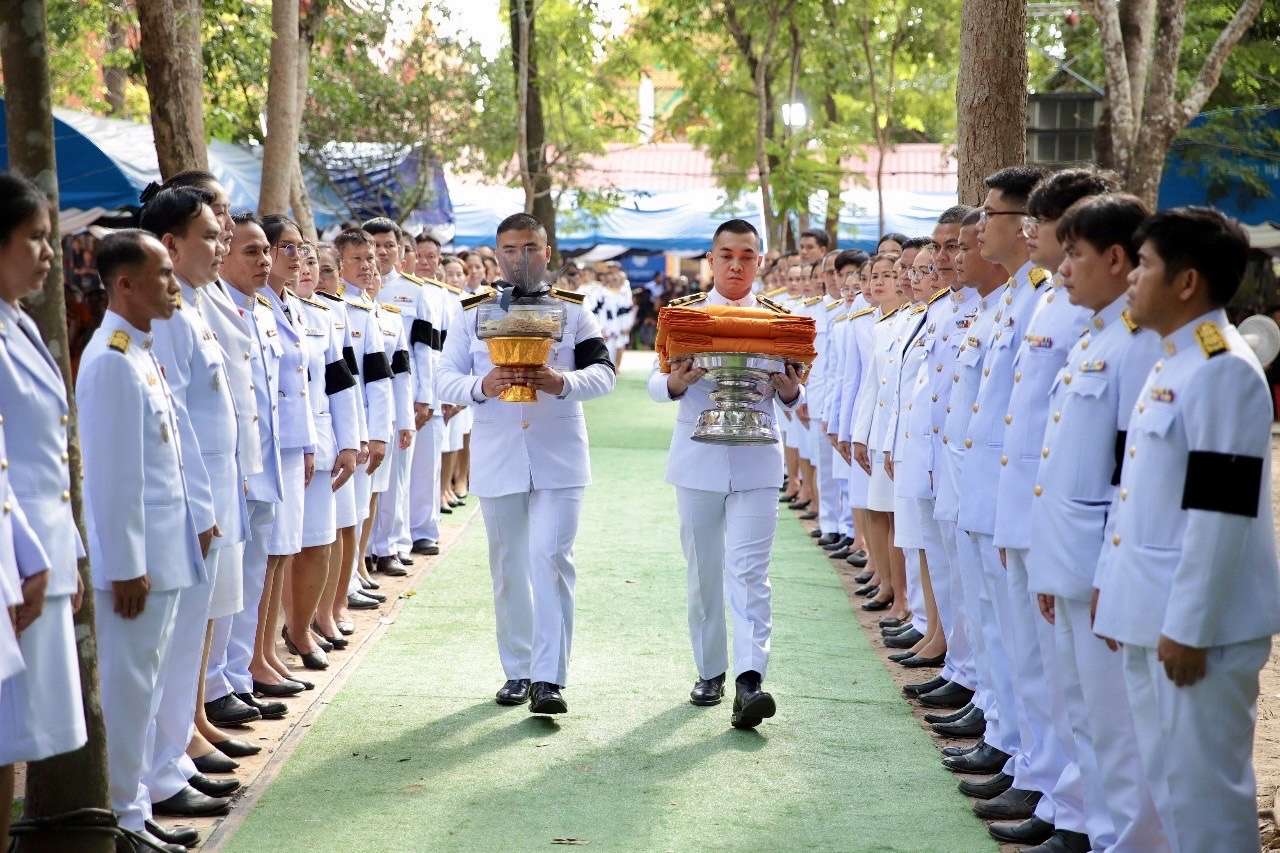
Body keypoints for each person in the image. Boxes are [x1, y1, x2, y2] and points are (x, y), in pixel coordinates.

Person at [1094, 207, 1280, 852]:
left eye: (1144, 265)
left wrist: (1190, 627)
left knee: (1206, 802)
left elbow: (1220, 512)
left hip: (1200, 627)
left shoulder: (1222, 367)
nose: (1131, 277)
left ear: (1186, 281)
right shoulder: (1174, 359)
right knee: (1171, 790)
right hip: (1153, 609)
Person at [1025, 193, 1165, 853]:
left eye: (1074, 254)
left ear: (1115, 259)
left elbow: (1128, 475)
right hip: (1071, 558)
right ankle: (1090, 828)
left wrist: (1109, 571)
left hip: (1102, 564)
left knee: (1118, 725)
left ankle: (1126, 841)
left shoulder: (1136, 345)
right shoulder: (1094, 335)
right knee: (1082, 710)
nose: (1063, 269)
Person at [980, 169, 1116, 847]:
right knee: (1049, 673)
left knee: (1085, 692)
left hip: (1073, 526)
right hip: (1036, 510)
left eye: (1043, 221)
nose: (1032, 233)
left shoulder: (1101, 317)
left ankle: (1077, 810)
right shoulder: (1048, 300)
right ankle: (1053, 789)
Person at [437, 213, 616, 715]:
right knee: (509, 566)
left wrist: (563, 382)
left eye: (530, 248)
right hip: (498, 455)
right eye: (510, 249)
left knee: (551, 559)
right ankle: (517, 670)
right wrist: (481, 385)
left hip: (559, 455)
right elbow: (443, 377)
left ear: (546, 251)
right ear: (498, 255)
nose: (520, 258)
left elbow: (604, 372)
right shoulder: (472, 314)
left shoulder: (573, 312)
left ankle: (548, 678)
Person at [78, 229, 209, 848]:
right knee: (129, 695)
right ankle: (123, 822)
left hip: (162, 554)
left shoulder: (139, 350)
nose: (172, 284)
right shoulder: (111, 360)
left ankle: (136, 812)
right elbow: (112, 478)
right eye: (161, 273)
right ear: (125, 284)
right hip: (136, 569)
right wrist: (127, 566)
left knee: (147, 690)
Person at [647, 218, 804, 729]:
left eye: (747, 256)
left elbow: (799, 390)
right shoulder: (685, 316)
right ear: (711, 260)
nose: (736, 265)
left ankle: (750, 679)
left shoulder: (780, 321)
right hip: (698, 459)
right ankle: (710, 669)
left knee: (750, 572)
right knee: (704, 571)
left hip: (758, 461)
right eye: (727, 256)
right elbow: (656, 381)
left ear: (760, 261)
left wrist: (790, 390)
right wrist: (676, 382)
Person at [137, 187, 247, 823]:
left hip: (211, 497)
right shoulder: (169, 314)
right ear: (171, 245)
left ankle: (172, 758)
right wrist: (200, 512)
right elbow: (174, 425)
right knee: (172, 646)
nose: (221, 244)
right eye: (209, 235)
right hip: (187, 506)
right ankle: (157, 772)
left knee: (185, 643)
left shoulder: (194, 304)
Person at [0, 174, 78, 848]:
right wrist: (26, 559)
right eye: (34, 239)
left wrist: (62, 553)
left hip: (30, 557)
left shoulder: (18, 321)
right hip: (13, 563)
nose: (49, 253)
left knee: (11, 740)